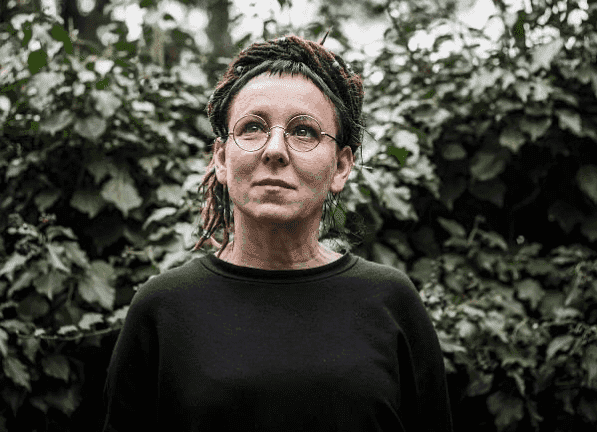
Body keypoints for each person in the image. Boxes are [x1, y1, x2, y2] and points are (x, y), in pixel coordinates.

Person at [102, 34, 453, 432]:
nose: (274, 149)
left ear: (341, 167)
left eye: (304, 131)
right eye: (253, 127)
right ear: (221, 158)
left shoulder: (392, 303)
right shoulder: (163, 310)